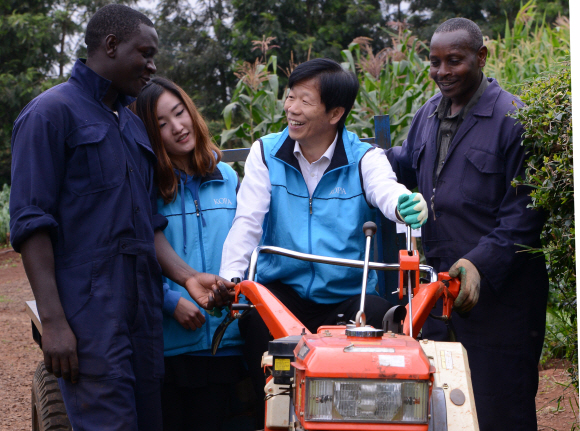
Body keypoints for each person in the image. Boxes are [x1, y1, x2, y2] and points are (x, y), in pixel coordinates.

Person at [9, 5, 232, 431]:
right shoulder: (49, 114)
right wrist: (54, 322)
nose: (152, 67)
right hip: (89, 316)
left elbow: (146, 225)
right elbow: (30, 223)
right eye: (145, 54)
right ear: (111, 46)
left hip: (143, 317)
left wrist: (187, 277)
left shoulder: (131, 126)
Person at [219, 58, 427, 428]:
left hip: (348, 296)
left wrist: (403, 204)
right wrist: (232, 278)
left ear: (335, 113)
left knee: (384, 321)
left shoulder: (364, 157)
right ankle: (274, 417)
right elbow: (247, 221)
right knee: (253, 327)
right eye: (290, 96)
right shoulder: (265, 152)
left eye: (304, 100)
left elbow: (386, 191)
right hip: (282, 292)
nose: (291, 109)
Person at [386, 18, 549, 431]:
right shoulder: (426, 115)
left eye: (454, 61)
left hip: (501, 296)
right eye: (434, 62)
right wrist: (361, 158)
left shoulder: (513, 119)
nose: (442, 72)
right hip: (438, 296)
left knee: (499, 407)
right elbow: (402, 166)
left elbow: (524, 216)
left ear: (481, 57)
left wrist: (478, 265)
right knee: (442, 407)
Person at [133, 77, 246, 431]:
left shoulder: (227, 176)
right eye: (162, 125)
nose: (178, 128)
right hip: (173, 344)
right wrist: (169, 301)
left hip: (227, 341)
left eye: (179, 113)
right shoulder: (145, 186)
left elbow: (248, 246)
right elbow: (137, 254)